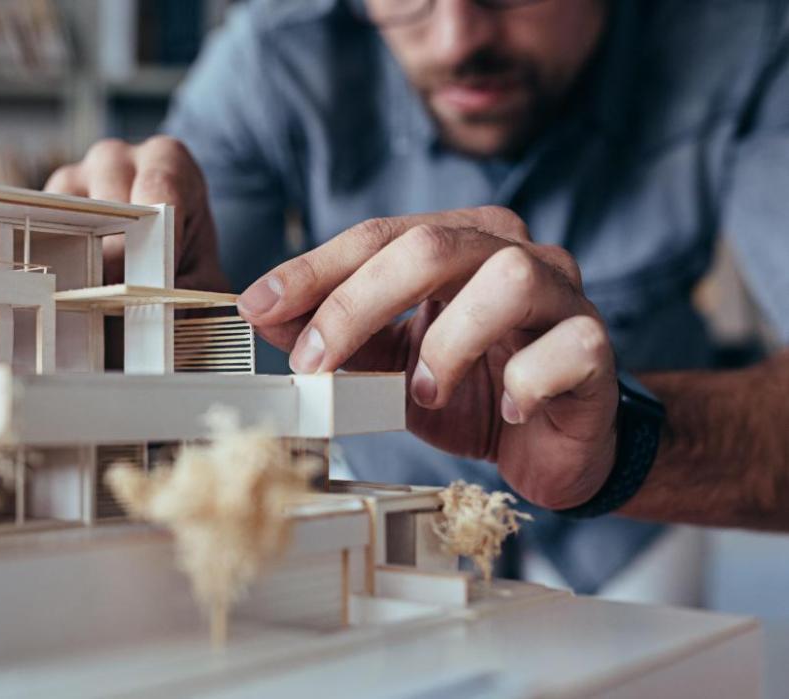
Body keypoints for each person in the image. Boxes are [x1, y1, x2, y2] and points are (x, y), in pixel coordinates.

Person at [45, 0, 789, 591]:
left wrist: (622, 450)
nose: (457, 35)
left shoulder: (743, 38)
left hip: (642, 508)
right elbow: (203, 330)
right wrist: (151, 307)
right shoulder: (271, 53)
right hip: (382, 508)